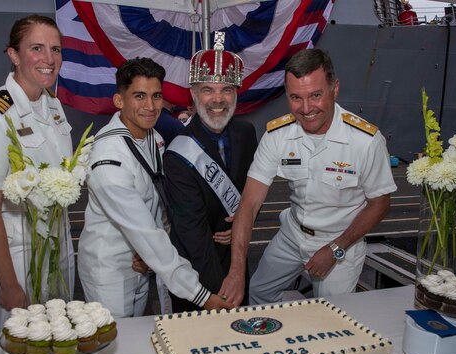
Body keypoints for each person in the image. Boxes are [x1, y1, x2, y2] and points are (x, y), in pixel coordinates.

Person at [220, 48, 396, 306]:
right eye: (295, 98)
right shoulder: (278, 134)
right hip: (292, 235)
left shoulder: (365, 141)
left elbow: (380, 204)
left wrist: (336, 248)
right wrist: (236, 270)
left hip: (341, 240)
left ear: (334, 90)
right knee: (257, 291)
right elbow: (249, 203)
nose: (306, 108)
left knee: (332, 316)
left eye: (315, 95)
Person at [78, 57, 231, 318]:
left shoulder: (153, 138)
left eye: (156, 96)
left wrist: (147, 254)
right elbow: (145, 232)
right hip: (110, 270)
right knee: (115, 344)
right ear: (119, 100)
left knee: (138, 339)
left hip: (143, 260)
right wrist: (200, 295)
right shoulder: (109, 157)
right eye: (139, 96)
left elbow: (159, 206)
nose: (150, 106)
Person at [0, 15, 75, 338]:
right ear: (13, 55)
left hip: (56, 252)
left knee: (57, 346)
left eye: (55, 49)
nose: (49, 59)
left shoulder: (53, 107)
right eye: (37, 48)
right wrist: (9, 283)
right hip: (16, 257)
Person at [164, 33, 258, 311]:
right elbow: (191, 232)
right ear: (193, 95)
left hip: (237, 260)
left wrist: (243, 223)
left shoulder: (246, 133)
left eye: (226, 89)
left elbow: (254, 192)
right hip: (195, 274)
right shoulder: (177, 154)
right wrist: (221, 293)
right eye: (208, 90)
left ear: (236, 94)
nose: (218, 99)